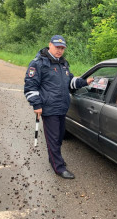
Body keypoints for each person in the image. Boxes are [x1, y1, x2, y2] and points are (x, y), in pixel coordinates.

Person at [24, 35, 93, 179]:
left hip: (62, 107)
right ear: (50, 45)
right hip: (49, 109)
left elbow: (70, 82)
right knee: (53, 139)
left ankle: (55, 158)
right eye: (57, 47)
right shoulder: (38, 63)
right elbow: (30, 85)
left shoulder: (63, 64)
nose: (59, 50)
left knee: (60, 136)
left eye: (62, 48)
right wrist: (36, 104)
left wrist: (85, 81)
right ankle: (58, 167)